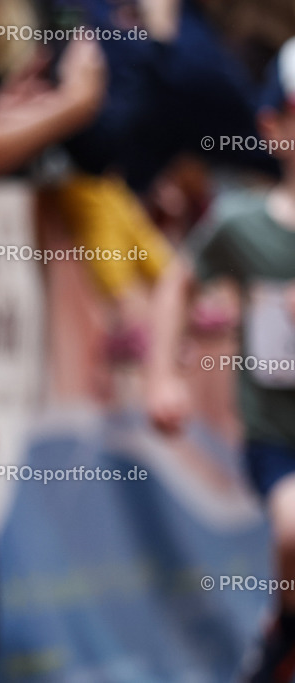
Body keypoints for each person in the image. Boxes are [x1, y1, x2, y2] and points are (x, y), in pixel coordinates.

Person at [146, 38, 295, 683]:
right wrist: (161, 376)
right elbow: (177, 280)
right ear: (274, 125)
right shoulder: (242, 224)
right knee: (293, 528)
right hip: (277, 439)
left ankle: (282, 635)